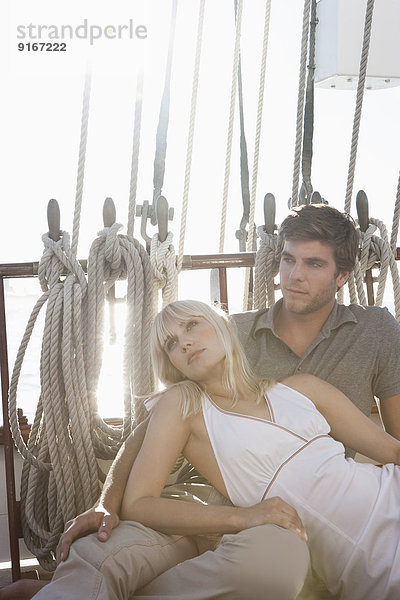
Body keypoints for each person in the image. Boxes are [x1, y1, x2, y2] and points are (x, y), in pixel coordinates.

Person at [4, 204, 400, 599]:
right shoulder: (228, 335)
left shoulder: (364, 338)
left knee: (278, 565)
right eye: (287, 260)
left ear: (343, 275)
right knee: (101, 552)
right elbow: (146, 434)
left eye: (313, 264)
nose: (294, 275)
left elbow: (391, 447)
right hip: (202, 497)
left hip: (301, 520)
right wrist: (107, 503)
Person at [75, 300, 400, 598]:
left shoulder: (303, 388)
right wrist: (243, 517)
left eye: (191, 325)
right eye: (171, 344)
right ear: (173, 366)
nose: (184, 341)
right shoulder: (184, 407)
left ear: (226, 327)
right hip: (368, 565)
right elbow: (138, 503)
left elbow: (391, 452)